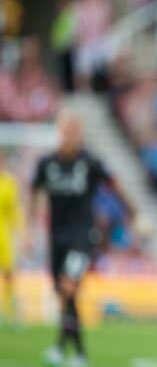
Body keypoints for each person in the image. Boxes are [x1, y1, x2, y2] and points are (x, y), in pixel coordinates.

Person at [30, 110, 136, 367]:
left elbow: (114, 183)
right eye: (66, 131)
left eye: (74, 131)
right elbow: (34, 193)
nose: (70, 136)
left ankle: (75, 354)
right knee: (64, 295)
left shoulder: (89, 161)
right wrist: (30, 228)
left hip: (82, 236)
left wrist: (132, 212)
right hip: (56, 237)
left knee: (68, 286)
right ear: (60, 132)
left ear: (80, 134)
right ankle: (67, 350)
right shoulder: (47, 163)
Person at [0, 151, 25, 327]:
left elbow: (15, 210)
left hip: (4, 233)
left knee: (8, 272)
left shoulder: (9, 183)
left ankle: (8, 310)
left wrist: (22, 232)